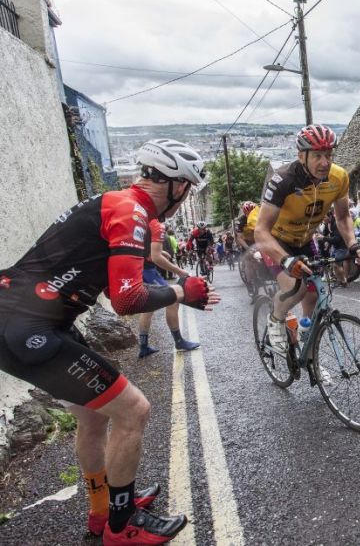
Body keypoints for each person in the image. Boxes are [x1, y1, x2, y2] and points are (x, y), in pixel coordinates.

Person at [0, 138, 219, 543]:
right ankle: (122, 526)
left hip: (34, 319)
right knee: (134, 410)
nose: (185, 196)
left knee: (93, 415)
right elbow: (127, 299)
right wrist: (182, 291)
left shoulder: (120, 204)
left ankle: (104, 512)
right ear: (175, 186)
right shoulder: (131, 212)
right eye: (187, 188)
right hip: (28, 327)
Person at [255, 124, 360, 356]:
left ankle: (307, 339)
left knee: (314, 293)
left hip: (304, 239)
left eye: (329, 155)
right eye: (317, 156)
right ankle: (275, 319)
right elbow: (261, 231)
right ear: (301, 156)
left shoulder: (339, 177)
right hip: (276, 241)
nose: (325, 162)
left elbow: (342, 217)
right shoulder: (283, 179)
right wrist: (286, 260)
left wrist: (353, 243)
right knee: (297, 289)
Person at [137, 217, 200, 358]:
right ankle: (179, 342)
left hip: (138, 268)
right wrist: (180, 271)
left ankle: (143, 346)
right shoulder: (156, 224)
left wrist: (159, 253)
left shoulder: (141, 218)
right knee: (173, 299)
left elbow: (148, 252)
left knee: (148, 307)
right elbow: (156, 258)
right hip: (147, 270)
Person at [235, 200, 260, 300]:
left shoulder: (260, 216)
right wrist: (248, 249)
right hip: (246, 243)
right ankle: (249, 284)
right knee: (249, 262)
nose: (250, 215)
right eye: (248, 213)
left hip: (258, 241)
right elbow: (240, 238)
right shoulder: (240, 221)